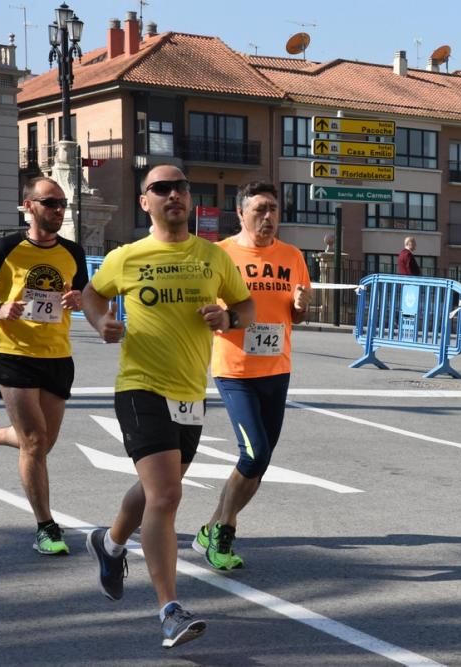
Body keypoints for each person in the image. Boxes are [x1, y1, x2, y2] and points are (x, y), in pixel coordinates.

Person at [81, 165, 254, 648]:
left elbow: (246, 309)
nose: (172, 194)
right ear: (145, 202)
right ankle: (169, 610)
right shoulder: (127, 257)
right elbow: (94, 296)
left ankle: (110, 543)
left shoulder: (212, 258)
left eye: (179, 187)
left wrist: (228, 316)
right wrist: (100, 323)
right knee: (166, 497)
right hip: (139, 387)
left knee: (160, 488)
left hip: (189, 395)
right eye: (160, 188)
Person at [190, 181, 311, 570]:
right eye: (259, 209)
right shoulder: (219, 254)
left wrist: (300, 305)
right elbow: (202, 308)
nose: (268, 217)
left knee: (259, 460)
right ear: (241, 213)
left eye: (273, 209)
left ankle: (211, 527)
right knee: (254, 451)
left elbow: (297, 314)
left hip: (277, 368)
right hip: (235, 369)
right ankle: (224, 534)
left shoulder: (292, 256)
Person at [0, 176, 87, 554]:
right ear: (29, 206)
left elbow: (83, 293)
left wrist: (79, 299)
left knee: (43, 445)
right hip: (14, 353)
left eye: (63, 204)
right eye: (50, 203)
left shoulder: (73, 252)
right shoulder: (5, 246)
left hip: (57, 355)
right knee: (33, 441)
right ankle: (46, 526)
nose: (59, 210)